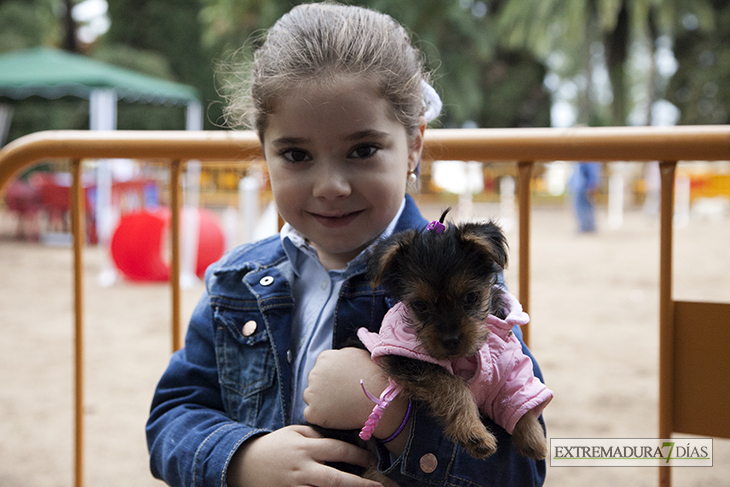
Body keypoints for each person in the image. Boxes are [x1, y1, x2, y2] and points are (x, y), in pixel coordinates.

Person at [146, 3, 547, 486]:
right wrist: (241, 460)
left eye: (362, 150)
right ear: (263, 150)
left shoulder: (467, 281)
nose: (330, 186)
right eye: (296, 154)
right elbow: (172, 415)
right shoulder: (236, 283)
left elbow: (525, 469)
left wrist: (397, 415)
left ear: (414, 144)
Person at [570, 161, 602, 233]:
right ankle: (587, 227)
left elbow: (592, 172)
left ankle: (587, 227)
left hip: (583, 186)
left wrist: (592, 185)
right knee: (586, 206)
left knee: (583, 207)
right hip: (581, 185)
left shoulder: (588, 158)